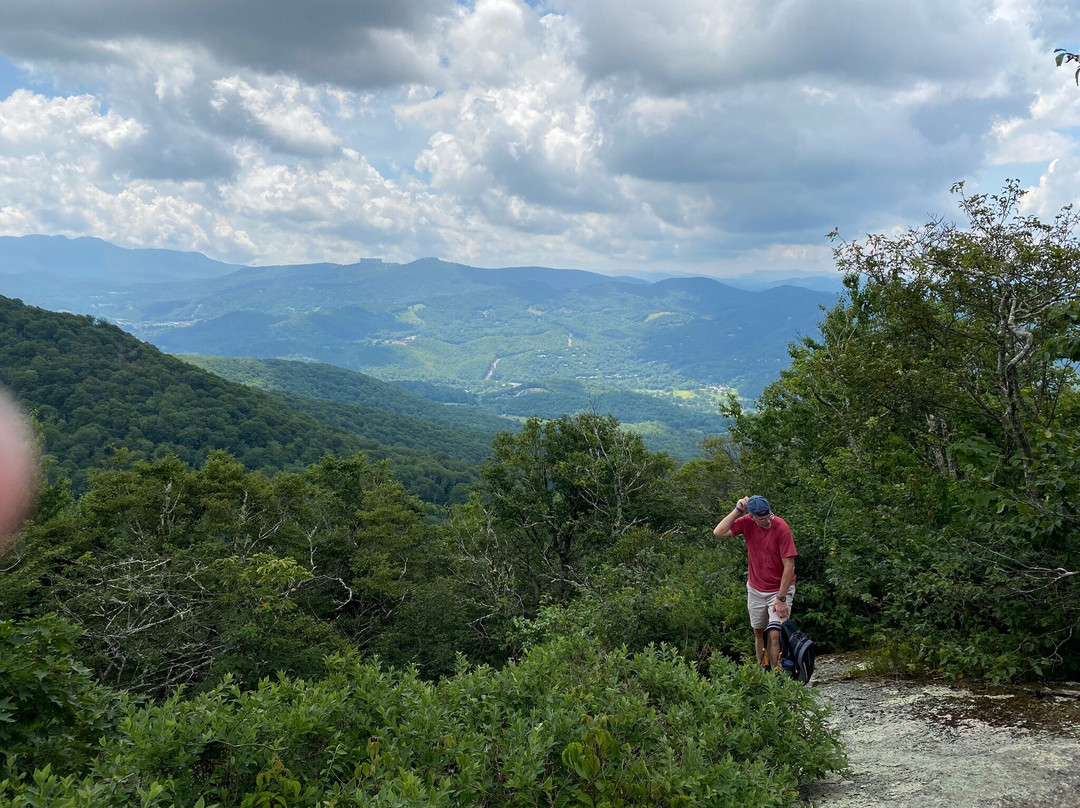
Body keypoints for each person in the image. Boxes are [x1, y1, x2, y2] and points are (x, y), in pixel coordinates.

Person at [713, 494, 797, 671]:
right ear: (752, 517)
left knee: (775, 633)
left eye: (769, 516)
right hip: (756, 588)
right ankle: (762, 672)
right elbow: (718, 532)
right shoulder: (746, 522)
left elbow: (789, 564)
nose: (767, 521)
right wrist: (737, 510)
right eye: (762, 519)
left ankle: (778, 676)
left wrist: (781, 598)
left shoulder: (781, 527)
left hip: (779, 589)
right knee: (759, 632)